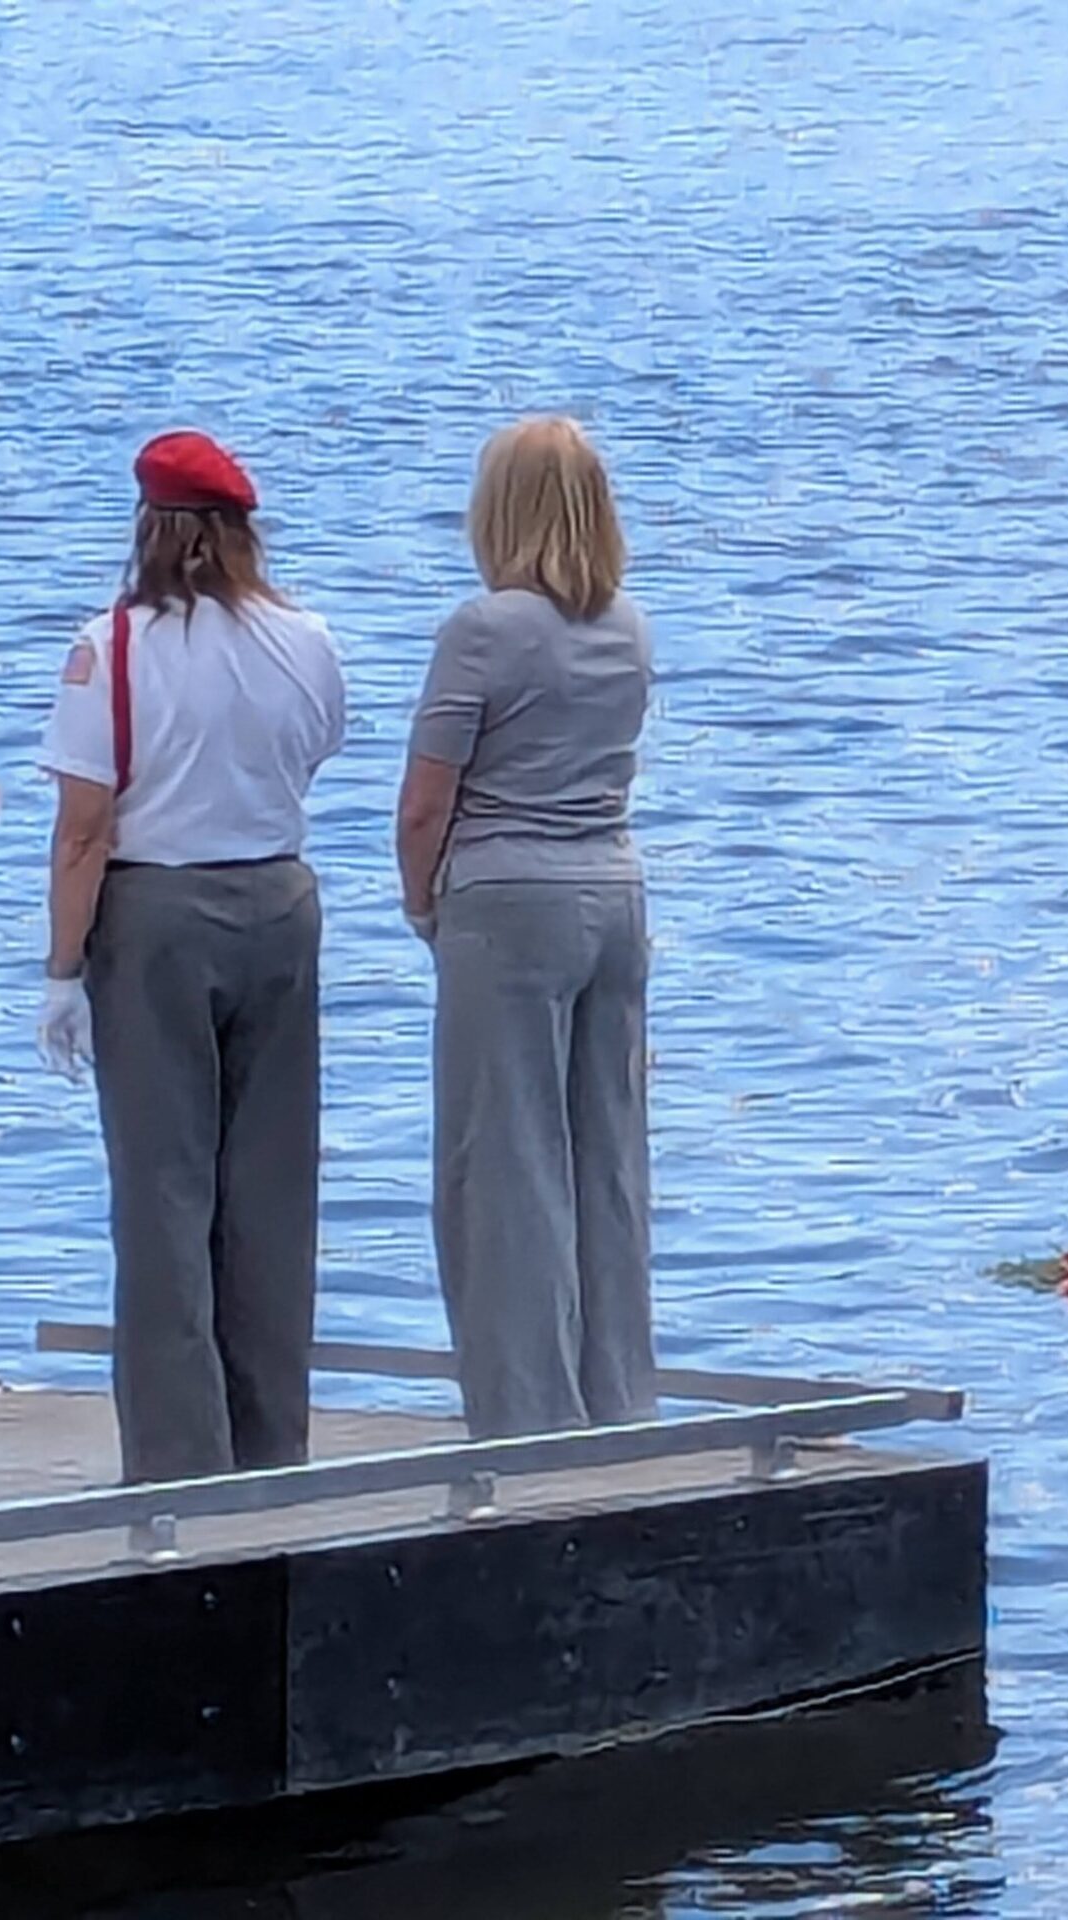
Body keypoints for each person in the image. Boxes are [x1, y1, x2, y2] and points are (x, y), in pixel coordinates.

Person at [35, 430, 346, 1485]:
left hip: (156, 916)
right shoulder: (307, 639)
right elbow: (314, 753)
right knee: (271, 1192)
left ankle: (178, 1457)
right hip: (279, 901)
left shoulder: (108, 649)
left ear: (150, 530)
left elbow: (85, 829)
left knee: (164, 1196)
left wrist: (61, 971)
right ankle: (272, 1443)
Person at [397, 416, 657, 1440]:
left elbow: (426, 802)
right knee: (607, 1155)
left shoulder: (483, 628)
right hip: (613, 892)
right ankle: (619, 1394)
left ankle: (525, 1412)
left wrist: (423, 902)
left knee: (502, 1162)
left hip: (505, 898)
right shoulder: (629, 626)